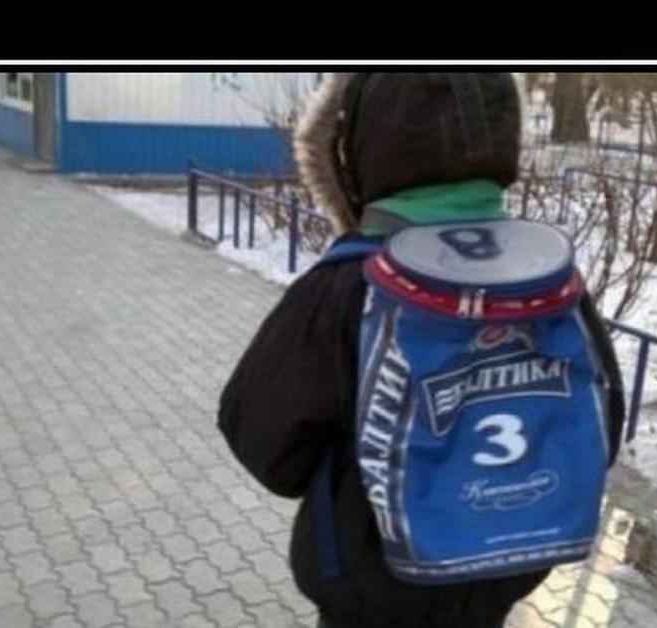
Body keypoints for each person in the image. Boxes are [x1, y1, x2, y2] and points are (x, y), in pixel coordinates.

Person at [218, 73, 625, 628]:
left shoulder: (347, 285)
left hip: (374, 585)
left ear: (362, 145)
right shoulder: (549, 282)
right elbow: (601, 426)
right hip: (502, 574)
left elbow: (265, 445)